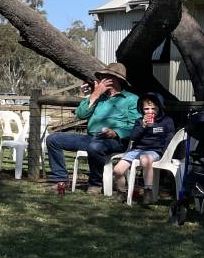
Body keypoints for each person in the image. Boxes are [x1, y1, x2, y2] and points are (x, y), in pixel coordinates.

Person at [44, 62, 140, 194]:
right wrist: (94, 95)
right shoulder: (98, 96)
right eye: (102, 76)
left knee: (95, 146)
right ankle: (60, 180)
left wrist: (116, 132)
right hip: (91, 137)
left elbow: (135, 126)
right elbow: (81, 114)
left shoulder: (132, 99)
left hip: (115, 141)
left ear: (118, 80)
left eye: (107, 76)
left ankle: (95, 183)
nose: (102, 80)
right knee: (53, 139)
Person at [112, 91, 175, 203]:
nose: (150, 112)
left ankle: (148, 190)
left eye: (153, 109)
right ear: (142, 110)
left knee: (145, 159)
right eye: (146, 109)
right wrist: (143, 126)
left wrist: (165, 154)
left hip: (155, 150)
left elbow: (169, 139)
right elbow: (133, 137)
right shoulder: (139, 121)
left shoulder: (167, 121)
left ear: (159, 108)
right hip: (137, 150)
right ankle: (121, 192)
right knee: (117, 170)